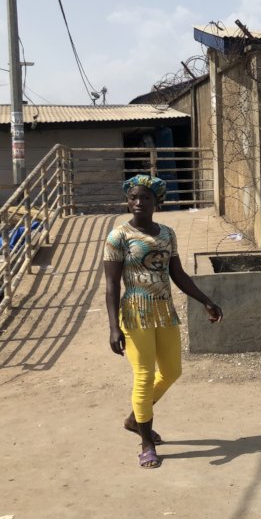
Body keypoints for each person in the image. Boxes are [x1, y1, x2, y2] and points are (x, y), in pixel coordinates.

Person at [104, 175, 223, 469]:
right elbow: (111, 285)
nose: (138, 203)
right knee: (144, 376)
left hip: (164, 311)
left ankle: (135, 419)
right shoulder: (118, 236)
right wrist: (112, 327)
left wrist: (205, 300)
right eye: (133, 197)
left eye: (145, 198)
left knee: (172, 371)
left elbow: (177, 274)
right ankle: (146, 443)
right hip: (135, 313)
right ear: (127, 200)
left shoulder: (167, 233)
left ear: (157, 201)